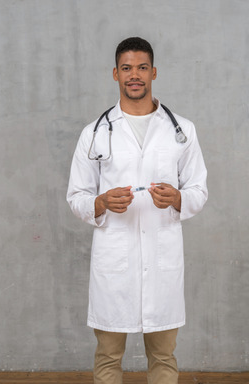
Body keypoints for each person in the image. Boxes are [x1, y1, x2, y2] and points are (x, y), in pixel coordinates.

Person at [67, 37, 208, 384]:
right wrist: (100, 203)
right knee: (107, 358)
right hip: (115, 262)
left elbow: (198, 190)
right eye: (127, 68)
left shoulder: (182, 131)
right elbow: (76, 196)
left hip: (162, 263)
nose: (135, 75)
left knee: (163, 357)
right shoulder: (94, 133)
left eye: (142, 67)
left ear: (153, 72)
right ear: (115, 73)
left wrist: (177, 198)